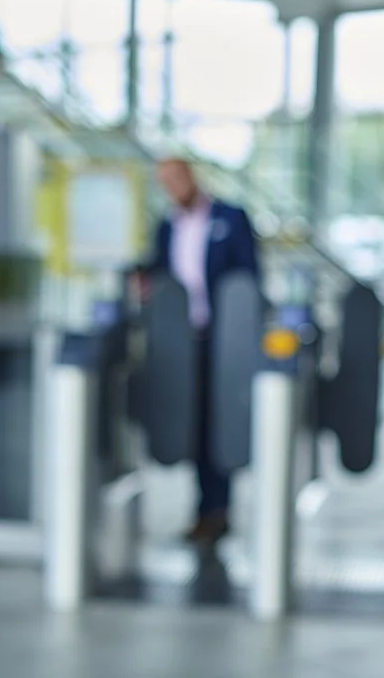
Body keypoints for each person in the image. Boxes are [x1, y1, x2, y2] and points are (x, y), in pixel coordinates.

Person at [141, 158, 259, 544]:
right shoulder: (165, 226)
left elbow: (248, 275)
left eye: (176, 178)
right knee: (189, 421)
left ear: (192, 177)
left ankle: (217, 508)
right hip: (181, 339)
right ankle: (203, 508)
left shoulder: (231, 218)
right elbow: (159, 275)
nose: (172, 188)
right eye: (165, 183)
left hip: (221, 337)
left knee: (218, 421)